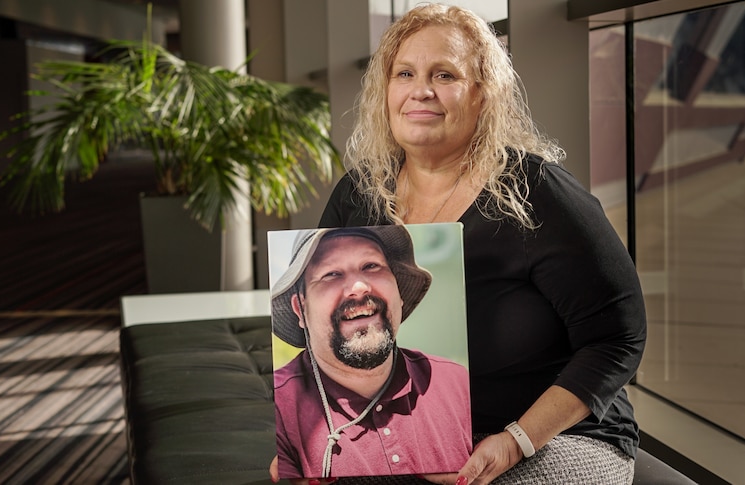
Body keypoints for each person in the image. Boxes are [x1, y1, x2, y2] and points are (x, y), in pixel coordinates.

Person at [270, 3, 649, 485]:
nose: (420, 90)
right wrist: (299, 445)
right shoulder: (359, 192)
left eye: (444, 74)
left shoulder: (540, 193)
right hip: (417, 442)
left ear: (483, 93)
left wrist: (515, 442)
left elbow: (620, 337)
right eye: (404, 73)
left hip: (557, 438)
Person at [271, 226, 473, 480]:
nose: (358, 287)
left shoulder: (455, 383)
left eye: (371, 266)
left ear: (398, 292)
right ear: (300, 309)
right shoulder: (277, 408)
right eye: (331, 274)